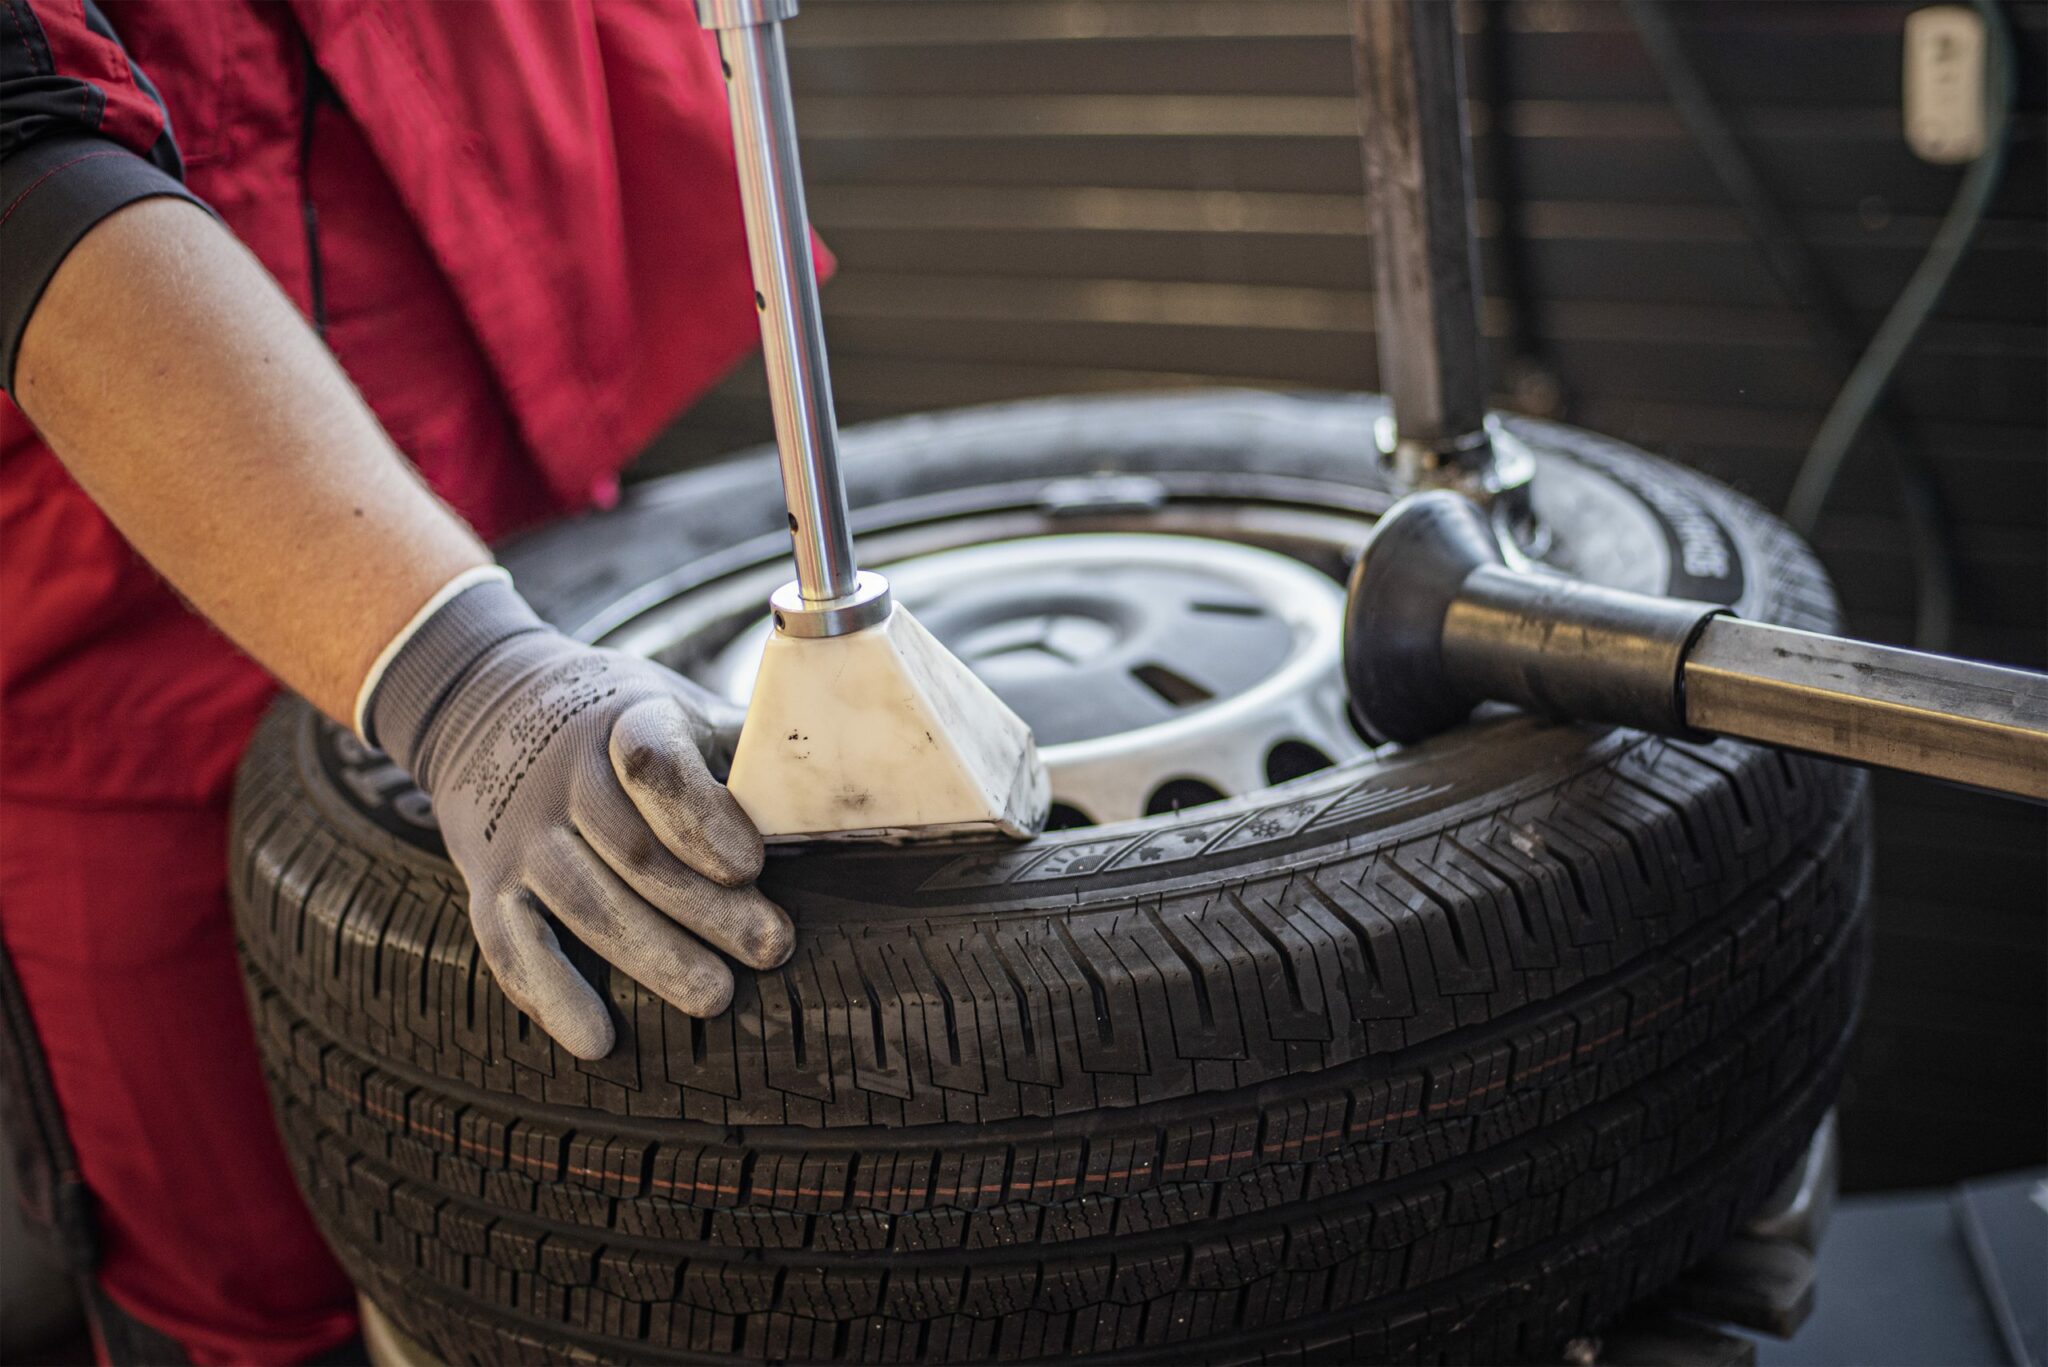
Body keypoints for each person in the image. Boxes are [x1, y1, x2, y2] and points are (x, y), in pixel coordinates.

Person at [0, 3, 806, 1360]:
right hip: (117, 658)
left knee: (601, 1219)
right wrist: (462, 673)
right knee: (244, 1288)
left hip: (507, 497)